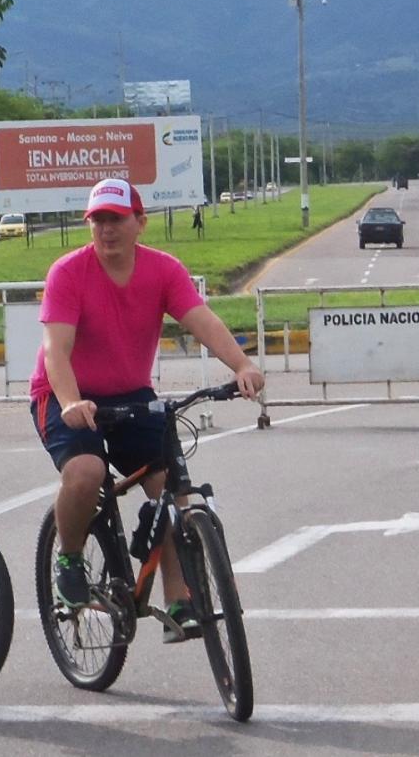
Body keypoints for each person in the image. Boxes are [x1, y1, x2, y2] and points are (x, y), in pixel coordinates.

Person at [29, 178, 264, 644]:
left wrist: (241, 365)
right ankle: (70, 559)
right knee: (87, 471)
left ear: (140, 222)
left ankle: (180, 600)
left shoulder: (163, 270)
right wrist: (72, 401)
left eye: (116, 219)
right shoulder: (69, 272)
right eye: (97, 220)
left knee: (170, 488)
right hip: (66, 394)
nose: (106, 229)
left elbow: (202, 321)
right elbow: (56, 349)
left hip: (132, 393)